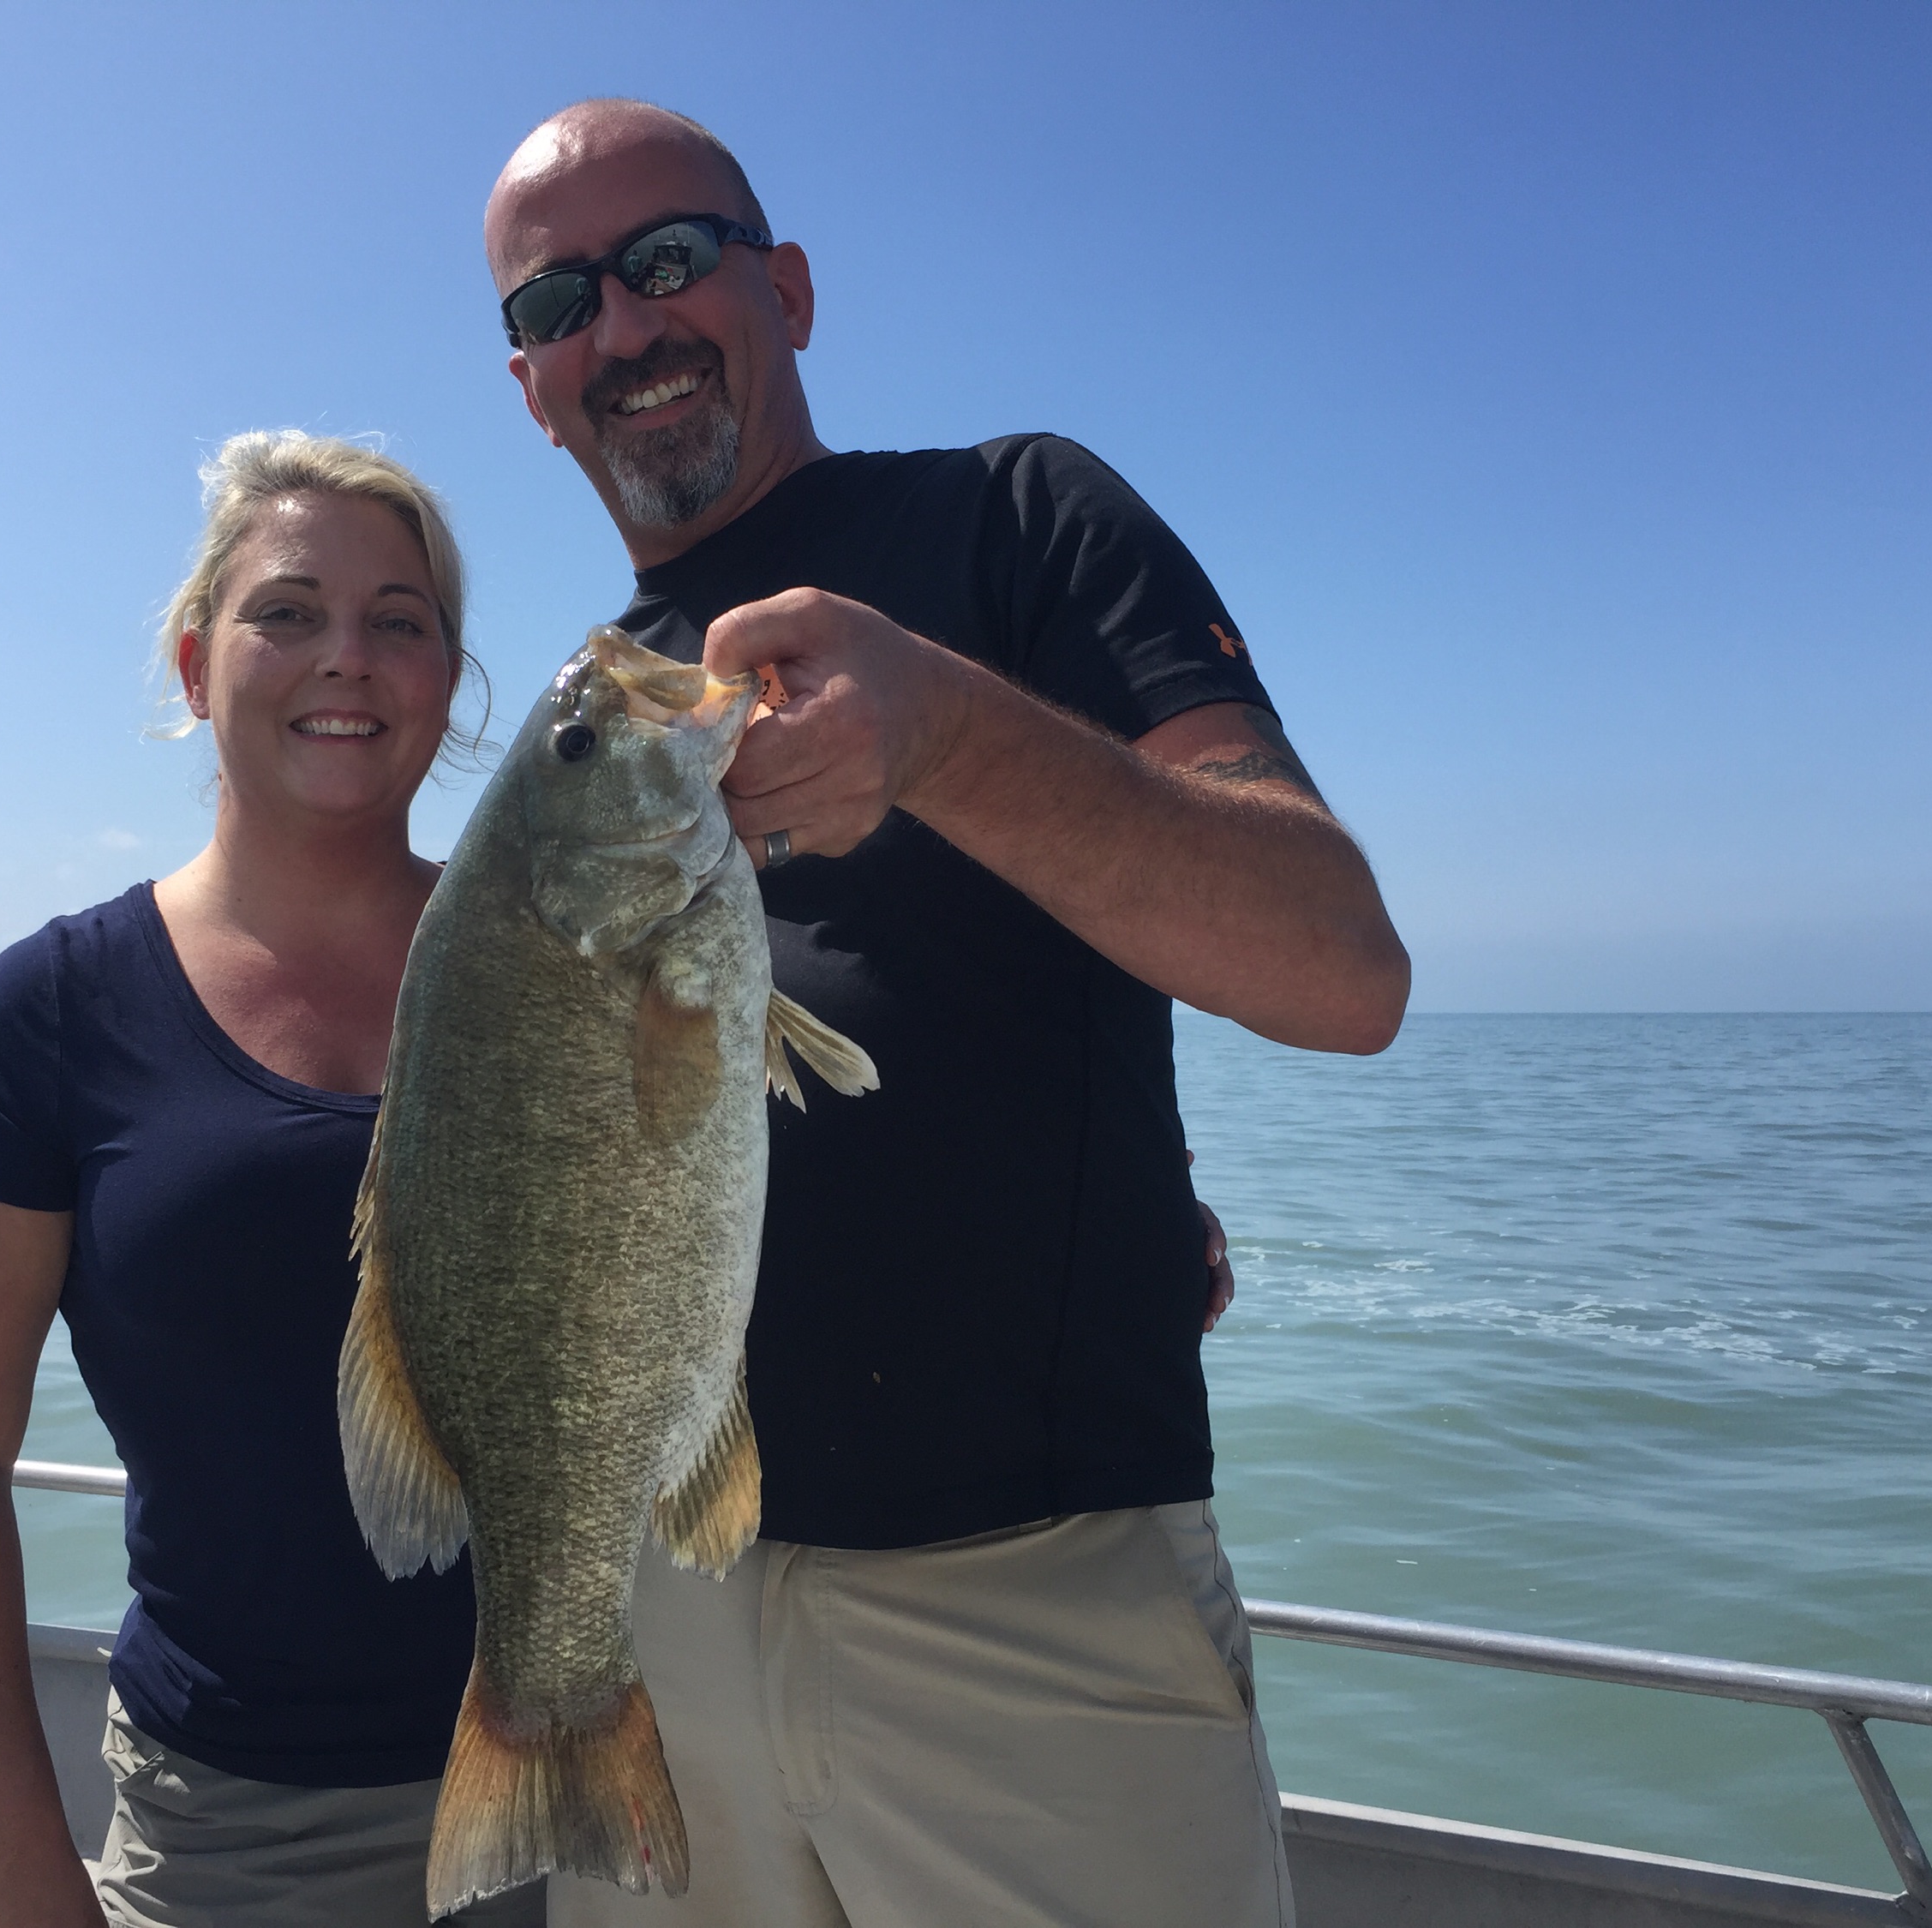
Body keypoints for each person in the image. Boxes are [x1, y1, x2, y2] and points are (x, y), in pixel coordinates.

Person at [482, 102, 1411, 1927]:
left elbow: (1339, 968)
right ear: (529, 382)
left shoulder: (1017, 519)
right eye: (556, 302)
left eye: (672, 259)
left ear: (792, 290)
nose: (627, 328)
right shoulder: (589, 734)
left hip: (1028, 1605)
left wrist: (953, 735)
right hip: (652, 1596)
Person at [0, 432, 544, 1928]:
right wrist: (11, 1859)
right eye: (288, 611)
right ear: (195, 663)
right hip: (239, 1824)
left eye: (400, 621)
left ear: (449, 680)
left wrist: (1139, 1218)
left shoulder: (569, 962)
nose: (347, 659)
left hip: (609, 1765)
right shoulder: (50, 1010)